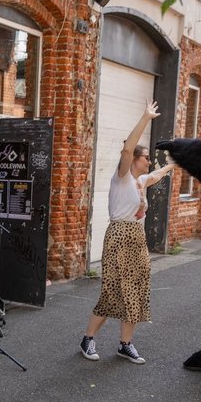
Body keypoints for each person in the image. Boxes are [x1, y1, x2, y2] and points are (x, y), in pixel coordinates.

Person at [80, 101, 174, 364]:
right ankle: (88, 339)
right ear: (135, 159)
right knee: (112, 290)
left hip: (137, 238)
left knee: (136, 289)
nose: (149, 161)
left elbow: (157, 175)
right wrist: (145, 118)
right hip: (118, 237)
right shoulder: (121, 176)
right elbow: (127, 148)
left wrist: (173, 165)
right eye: (146, 157)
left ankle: (125, 344)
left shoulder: (140, 181)